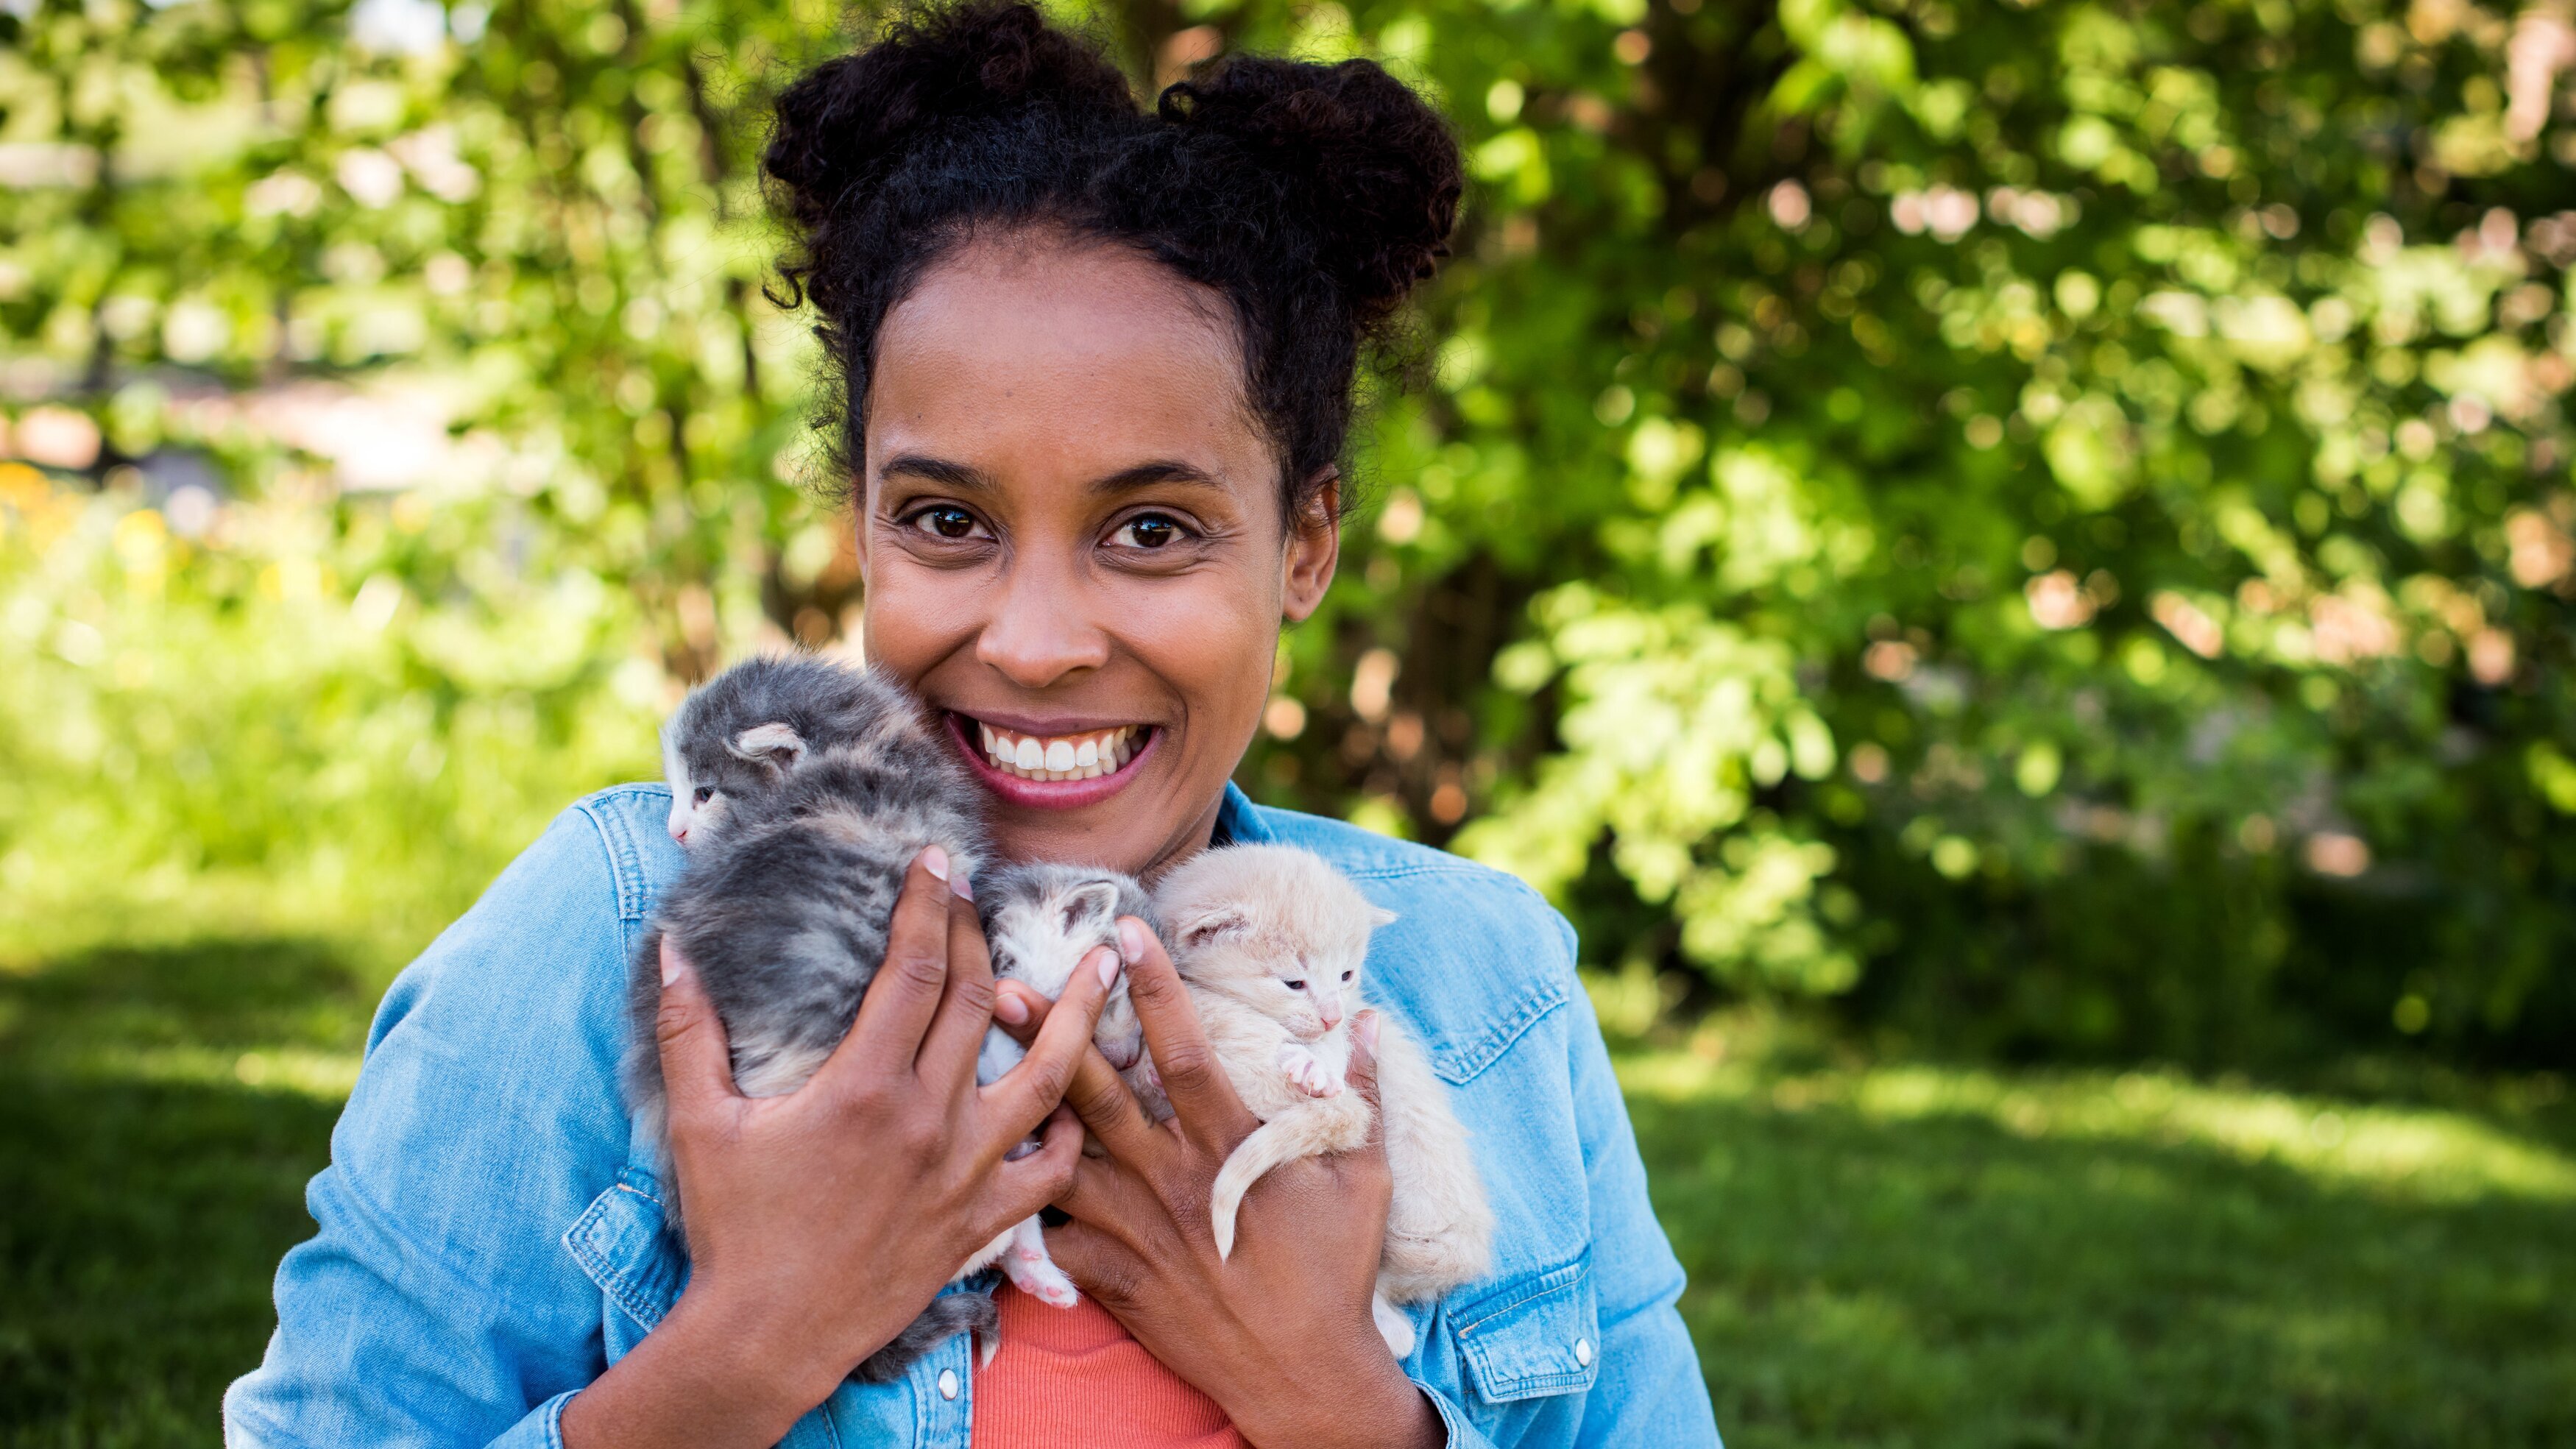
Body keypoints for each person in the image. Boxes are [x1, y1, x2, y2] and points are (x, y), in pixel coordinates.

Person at [222, 4, 1722, 1445]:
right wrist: (753, 1343)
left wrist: (1343, 1409)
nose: (1035, 641)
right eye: (947, 518)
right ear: (862, 521)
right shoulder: (619, 938)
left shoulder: (1488, 989)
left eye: (1151, 528)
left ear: (1306, 544)